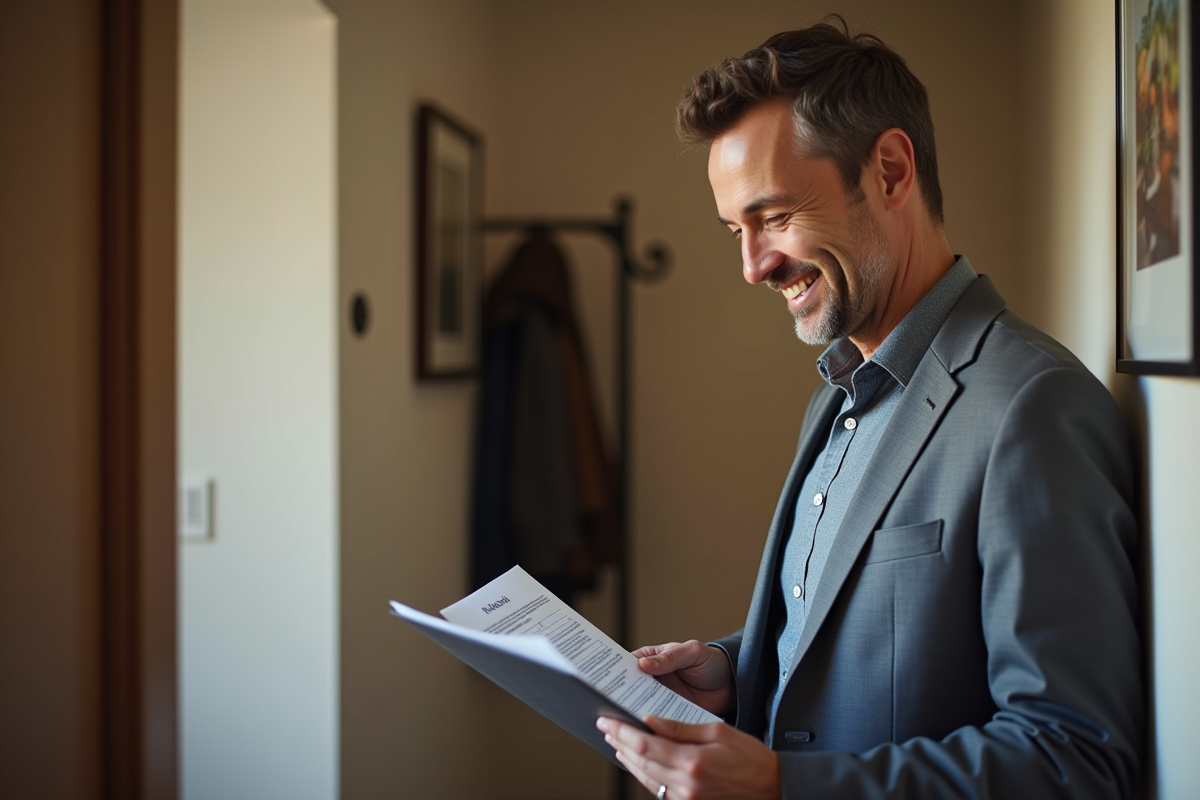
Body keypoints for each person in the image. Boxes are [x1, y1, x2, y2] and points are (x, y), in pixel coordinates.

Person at [597, 17, 1142, 800]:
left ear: (889, 170)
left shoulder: (1033, 408)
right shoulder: (838, 394)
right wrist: (735, 670)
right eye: (735, 230)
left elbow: (1074, 757)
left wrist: (784, 786)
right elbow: (876, 634)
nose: (753, 266)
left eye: (775, 216)